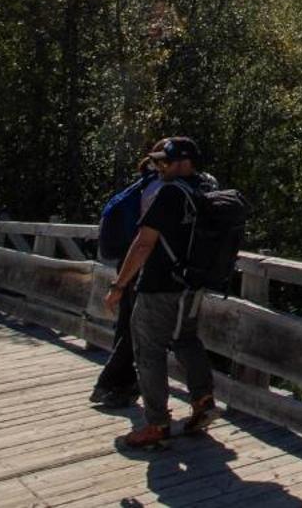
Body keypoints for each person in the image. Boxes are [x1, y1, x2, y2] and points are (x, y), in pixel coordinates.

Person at [103, 136, 219, 451]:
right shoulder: (208, 190)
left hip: (160, 287)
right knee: (186, 340)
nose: (159, 166)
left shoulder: (169, 194)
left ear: (183, 162)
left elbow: (143, 243)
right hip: (192, 286)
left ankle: (156, 424)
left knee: (148, 351)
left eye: (165, 161)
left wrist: (119, 286)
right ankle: (203, 400)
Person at [89, 150, 160, 407]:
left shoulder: (141, 188)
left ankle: (122, 385)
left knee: (126, 325)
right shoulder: (159, 190)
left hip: (127, 261)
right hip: (142, 264)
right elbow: (147, 239)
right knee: (135, 327)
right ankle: (109, 383)